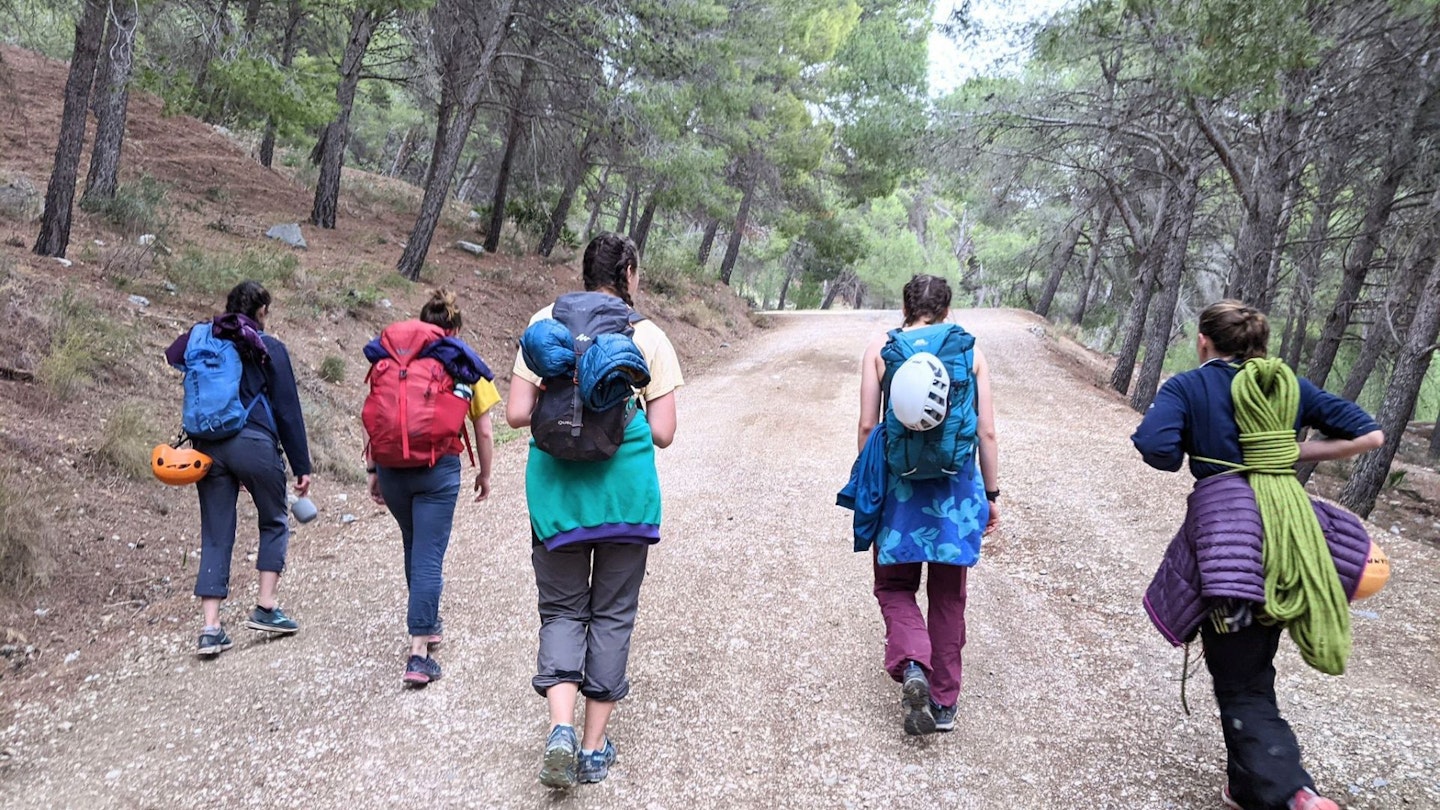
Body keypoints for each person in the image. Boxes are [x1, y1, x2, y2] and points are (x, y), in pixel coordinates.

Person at [1131, 300, 1383, 810]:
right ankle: (1246, 786)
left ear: (1204, 341)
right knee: (1251, 665)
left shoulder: (1189, 385)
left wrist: (1202, 444)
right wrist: (1284, 451)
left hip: (1231, 541)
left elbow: (1157, 448)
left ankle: (1294, 794)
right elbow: (1370, 434)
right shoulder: (1286, 385)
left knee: (1241, 682)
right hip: (1289, 533)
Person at [505, 232, 682, 788]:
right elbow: (664, 433)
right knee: (611, 613)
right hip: (625, 499)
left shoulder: (544, 321)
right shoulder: (647, 334)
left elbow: (515, 413)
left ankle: (559, 727)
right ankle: (591, 745)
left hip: (556, 496)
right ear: (627, 273)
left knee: (561, 610)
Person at [846, 274, 1000, 736]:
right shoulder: (969, 350)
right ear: (947, 310)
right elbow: (987, 432)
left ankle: (914, 662)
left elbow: (868, 427)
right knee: (949, 595)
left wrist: (867, 483)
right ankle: (944, 701)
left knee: (894, 586)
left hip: (900, 490)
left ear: (905, 308)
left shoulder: (883, 349)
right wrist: (991, 497)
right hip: (955, 492)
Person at [164, 280, 312, 656]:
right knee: (274, 519)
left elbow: (173, 352)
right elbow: (287, 409)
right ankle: (265, 607)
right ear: (261, 312)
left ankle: (211, 628)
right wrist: (301, 465)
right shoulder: (267, 347)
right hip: (254, 443)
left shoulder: (204, 339)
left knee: (215, 533)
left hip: (207, 448)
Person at [364, 289, 498, 686]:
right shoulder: (457, 359)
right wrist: (485, 475)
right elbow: (485, 430)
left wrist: (373, 469)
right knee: (428, 555)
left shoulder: (393, 360)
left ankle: (428, 621)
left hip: (391, 468)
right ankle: (418, 652)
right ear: (453, 329)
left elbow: (377, 416)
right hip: (437, 469)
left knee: (414, 543)